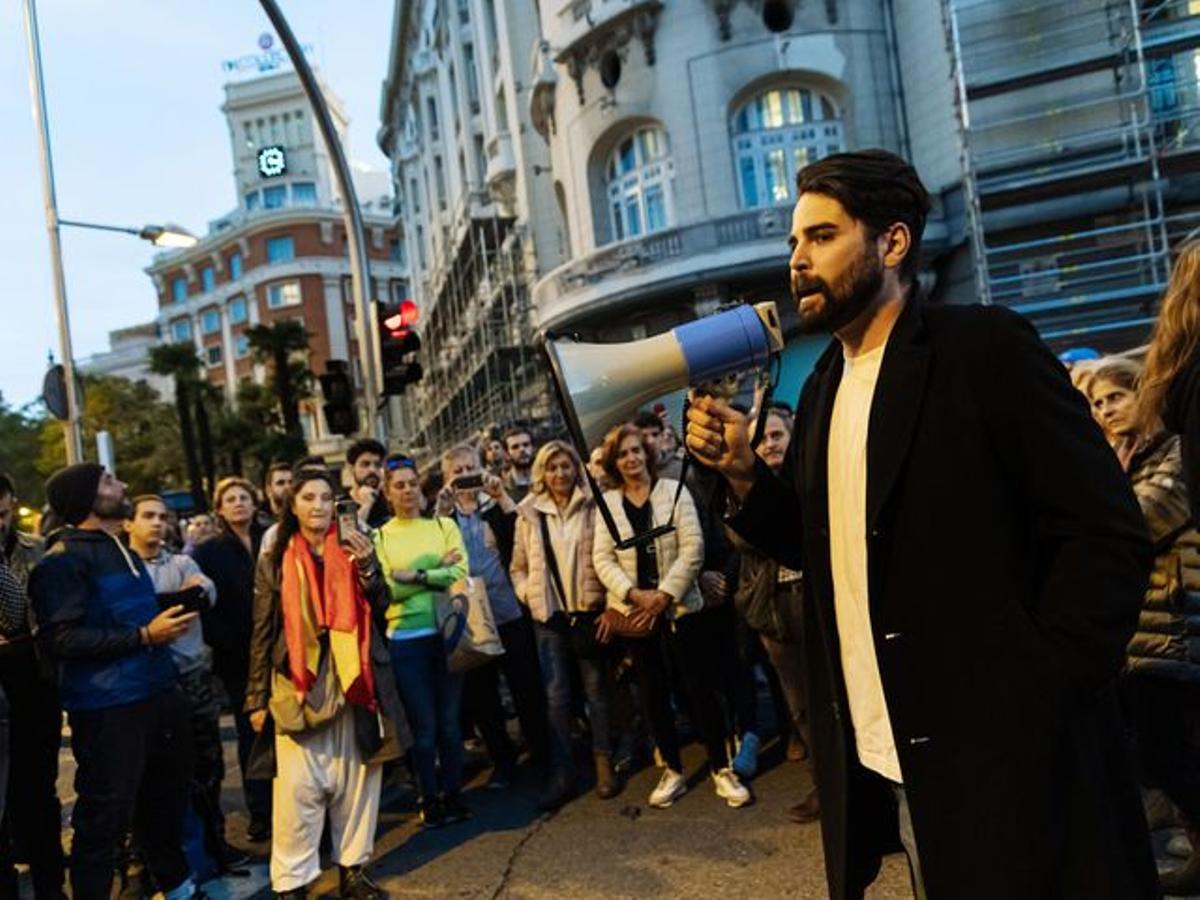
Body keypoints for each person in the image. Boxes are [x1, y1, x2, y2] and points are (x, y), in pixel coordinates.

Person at [685, 148, 1156, 898]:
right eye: (793, 243)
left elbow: (1107, 535)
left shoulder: (984, 349)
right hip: (892, 756)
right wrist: (744, 475)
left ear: (892, 242)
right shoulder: (824, 390)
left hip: (1011, 752)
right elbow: (823, 541)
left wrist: (1045, 690)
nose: (798, 260)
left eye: (822, 236)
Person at [28, 464, 198, 900]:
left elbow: (120, 611)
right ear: (85, 499)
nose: (121, 485)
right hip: (109, 710)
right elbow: (61, 637)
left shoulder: (116, 545)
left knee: (164, 807)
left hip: (158, 693)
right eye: (107, 481)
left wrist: (179, 602)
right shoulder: (62, 560)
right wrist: (144, 636)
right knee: (103, 821)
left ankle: (178, 889)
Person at [243, 466, 408, 899]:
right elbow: (261, 628)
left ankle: (353, 870)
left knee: (358, 777)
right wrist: (255, 697)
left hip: (356, 675)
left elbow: (384, 603)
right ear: (292, 506)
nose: (318, 506)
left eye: (325, 498)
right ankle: (292, 883)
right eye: (308, 498)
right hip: (298, 680)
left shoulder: (356, 546)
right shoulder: (276, 556)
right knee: (298, 788)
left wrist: (369, 566)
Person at [592, 423, 750, 810]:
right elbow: (602, 557)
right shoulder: (608, 505)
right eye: (623, 454)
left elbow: (693, 546)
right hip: (638, 616)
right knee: (652, 692)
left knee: (701, 688)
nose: (631, 459)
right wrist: (634, 594)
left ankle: (720, 767)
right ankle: (674, 769)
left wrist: (666, 594)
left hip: (681, 608)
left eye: (635, 451)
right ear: (615, 463)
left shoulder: (674, 491)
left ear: (647, 454)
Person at [1087, 356, 1200, 893]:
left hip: (1178, 622)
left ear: (1143, 397)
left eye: (1116, 397)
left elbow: (1139, 520)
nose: (1106, 409)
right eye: (1098, 402)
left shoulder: (1175, 452)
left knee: (1164, 748)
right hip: (1147, 628)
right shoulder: (1124, 458)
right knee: (1160, 748)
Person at [124, 495, 245, 868]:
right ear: (129, 523)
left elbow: (203, 595)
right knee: (146, 777)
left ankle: (216, 843)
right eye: (148, 516)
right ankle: (143, 859)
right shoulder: (122, 568)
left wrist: (175, 601)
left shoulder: (182, 562)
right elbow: (148, 612)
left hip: (192, 680)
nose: (158, 523)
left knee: (208, 767)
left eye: (164, 517)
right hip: (144, 684)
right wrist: (177, 600)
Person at [438, 445, 550, 797]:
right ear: (446, 478)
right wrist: (441, 512)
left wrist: (500, 495)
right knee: (482, 696)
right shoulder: (443, 517)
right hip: (470, 618)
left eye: (471, 467)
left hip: (507, 609)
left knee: (526, 685)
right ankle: (502, 760)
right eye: (458, 470)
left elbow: (525, 533)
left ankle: (540, 749)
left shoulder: (493, 508)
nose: (466, 475)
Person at [726, 406, 819, 823]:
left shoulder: (809, 479)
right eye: (760, 438)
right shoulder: (742, 488)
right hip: (774, 608)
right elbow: (740, 537)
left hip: (814, 601)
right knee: (799, 703)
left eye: (776, 435)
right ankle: (825, 785)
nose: (769, 443)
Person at [511, 440, 617, 803]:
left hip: (587, 612)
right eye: (552, 468)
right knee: (556, 698)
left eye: (565, 466)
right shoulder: (529, 513)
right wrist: (529, 595)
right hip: (549, 618)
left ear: (575, 468)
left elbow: (608, 555)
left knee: (596, 691)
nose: (559, 474)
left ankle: (604, 762)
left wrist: (608, 604)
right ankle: (564, 771)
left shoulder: (593, 505)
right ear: (543, 472)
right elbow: (518, 567)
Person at [373, 455, 470, 828]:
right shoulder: (380, 536)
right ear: (387, 492)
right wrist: (435, 571)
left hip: (448, 634)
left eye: (412, 483)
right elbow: (389, 588)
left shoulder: (444, 525)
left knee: (449, 723)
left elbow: (460, 571)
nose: (408, 490)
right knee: (424, 726)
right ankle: (429, 798)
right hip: (406, 640)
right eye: (399, 485)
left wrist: (414, 573)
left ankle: (455, 794)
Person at [193, 476, 271, 842]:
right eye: (231, 499)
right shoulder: (208, 552)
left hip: (278, 649)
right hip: (237, 656)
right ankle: (260, 811)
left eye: (244, 497)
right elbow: (205, 607)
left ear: (255, 503)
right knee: (250, 732)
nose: (239, 503)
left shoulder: (272, 539)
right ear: (220, 509)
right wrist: (226, 642)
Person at [0, 474, 64, 899]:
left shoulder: (37, 551)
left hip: (31, 682)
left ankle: (50, 887)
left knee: (38, 794)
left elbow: (23, 613)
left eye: (2, 514)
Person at [346, 439, 391, 529]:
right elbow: (348, 534)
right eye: (365, 464)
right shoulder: (343, 504)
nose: (372, 470)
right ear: (351, 469)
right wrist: (366, 505)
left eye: (378, 465)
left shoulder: (390, 499)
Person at [502, 427, 536, 504]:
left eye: (526, 445)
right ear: (507, 454)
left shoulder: (548, 477)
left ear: (533, 448)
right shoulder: (505, 490)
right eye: (515, 447)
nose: (522, 449)